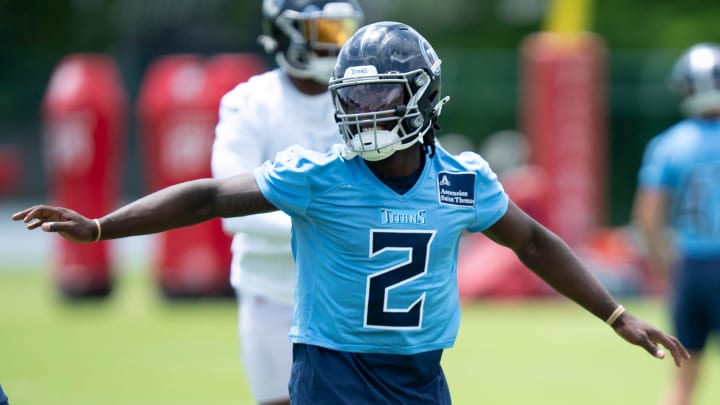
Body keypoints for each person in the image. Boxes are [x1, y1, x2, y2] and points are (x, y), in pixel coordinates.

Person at [14, 22, 689, 404]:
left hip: (421, 373)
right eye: (355, 99)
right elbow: (209, 194)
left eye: (381, 96)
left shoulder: (462, 182)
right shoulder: (320, 175)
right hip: (331, 371)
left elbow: (536, 242)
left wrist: (614, 312)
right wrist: (101, 226)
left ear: (422, 97)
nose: (364, 113)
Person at [210, 1, 363, 404]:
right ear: (288, 34)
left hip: (347, 296)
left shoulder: (365, 97)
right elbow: (229, 205)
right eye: (326, 31)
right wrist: (332, 225)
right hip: (272, 289)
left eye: (344, 29)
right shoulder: (250, 102)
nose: (339, 42)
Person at [631, 42, 720, 405]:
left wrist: (665, 266)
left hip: (691, 268)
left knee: (683, 379)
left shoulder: (668, 145)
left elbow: (648, 216)